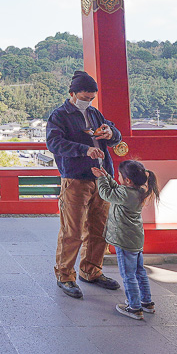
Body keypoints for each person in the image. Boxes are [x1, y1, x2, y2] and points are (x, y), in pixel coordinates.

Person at [45, 70, 122, 298]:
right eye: (85, 97)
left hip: (102, 178)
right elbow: (54, 143)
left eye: (91, 98)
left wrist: (111, 133)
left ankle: (91, 271)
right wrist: (84, 149)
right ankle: (65, 275)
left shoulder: (95, 114)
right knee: (73, 230)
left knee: (99, 228)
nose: (88, 101)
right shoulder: (59, 115)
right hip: (76, 178)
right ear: (73, 93)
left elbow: (116, 135)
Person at [92, 160, 160, 320]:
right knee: (140, 272)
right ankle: (146, 302)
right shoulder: (138, 190)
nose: (118, 177)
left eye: (119, 176)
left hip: (124, 240)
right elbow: (116, 188)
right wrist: (106, 176)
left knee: (128, 274)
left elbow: (106, 194)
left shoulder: (125, 193)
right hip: (135, 240)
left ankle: (134, 307)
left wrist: (100, 179)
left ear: (128, 180)